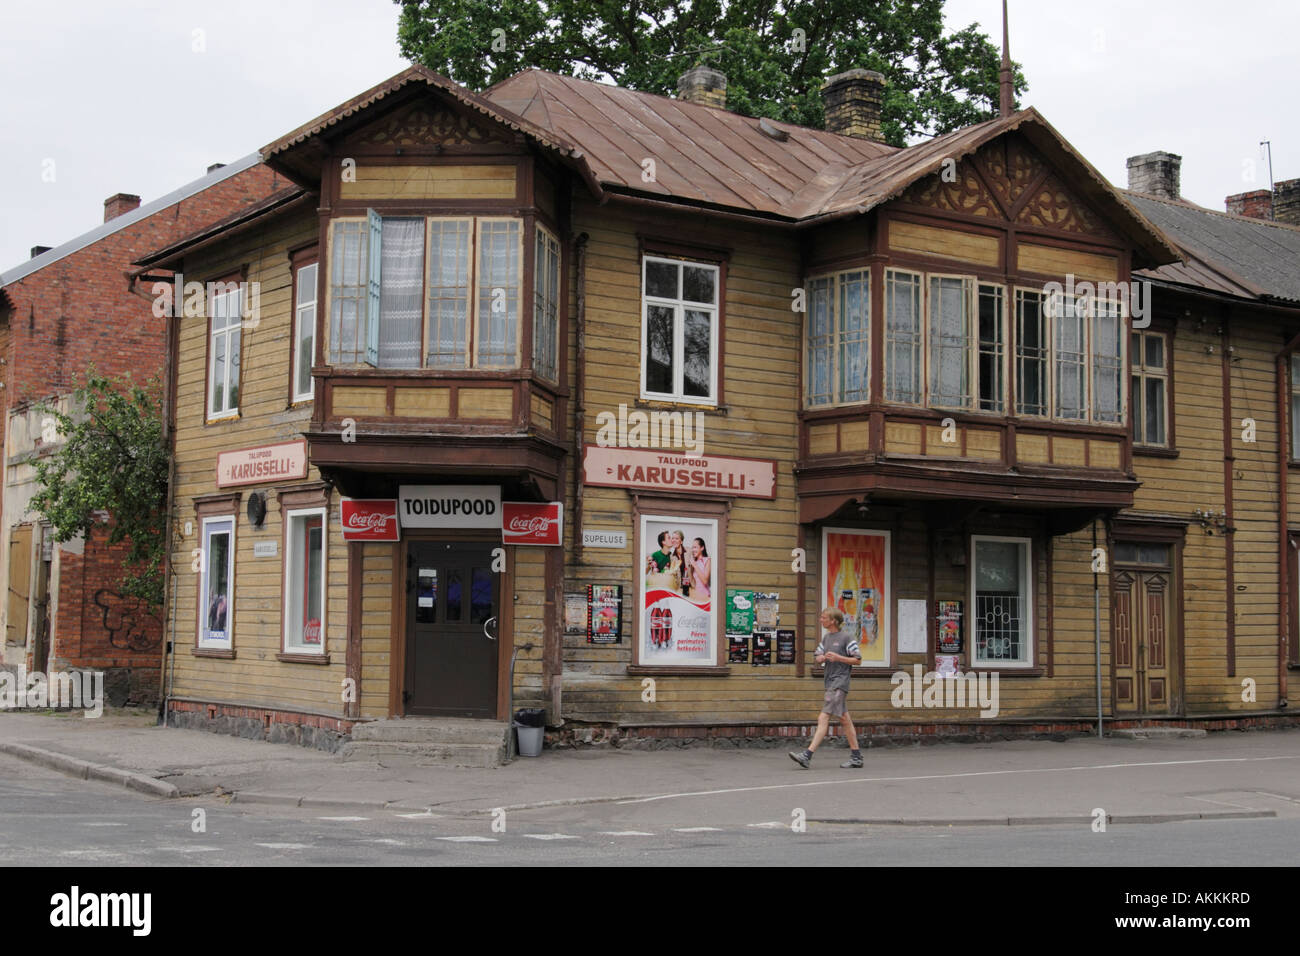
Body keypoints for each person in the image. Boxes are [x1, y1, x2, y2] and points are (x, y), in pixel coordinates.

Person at [789, 607, 864, 769]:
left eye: (824, 618)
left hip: (839, 683)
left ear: (833, 621)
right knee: (845, 719)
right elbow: (817, 656)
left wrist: (839, 658)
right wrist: (821, 657)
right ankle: (856, 756)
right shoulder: (826, 638)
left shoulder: (846, 638)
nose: (821, 620)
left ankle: (807, 755)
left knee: (823, 718)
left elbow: (858, 660)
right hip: (830, 683)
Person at [682, 537, 711, 601]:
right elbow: (693, 583)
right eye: (692, 547)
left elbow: (705, 581)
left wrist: (694, 565)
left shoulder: (707, 560)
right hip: (695, 596)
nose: (693, 550)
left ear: (702, 548)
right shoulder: (694, 563)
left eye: (695, 547)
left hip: (705, 596)